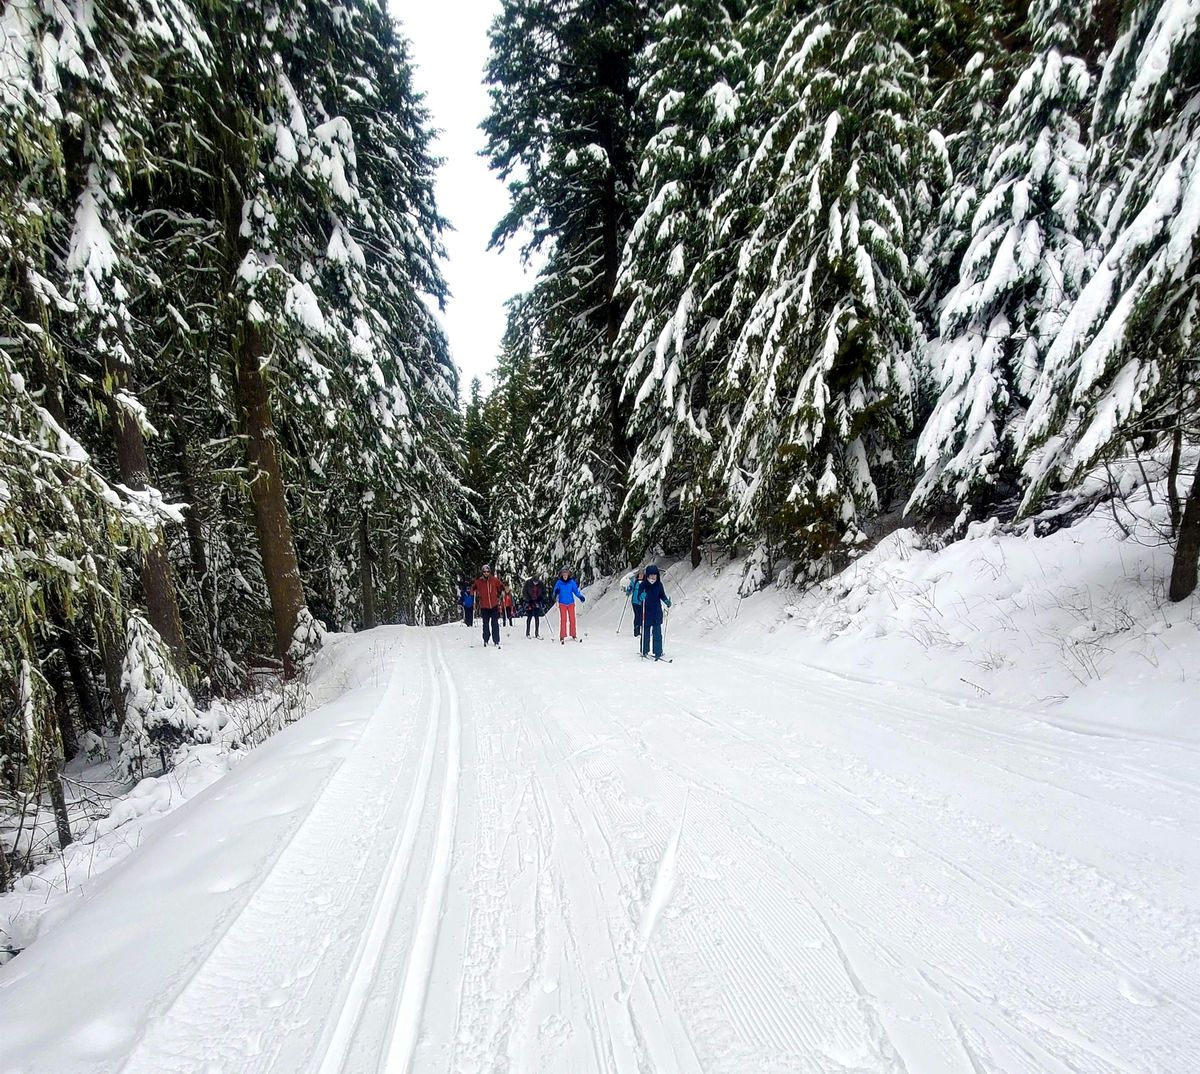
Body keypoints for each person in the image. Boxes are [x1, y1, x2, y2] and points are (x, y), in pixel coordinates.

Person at [638, 564, 671, 660]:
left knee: (657, 633)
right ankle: (644, 651)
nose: (653, 577)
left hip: (656, 611)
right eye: (651, 575)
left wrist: (666, 601)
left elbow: (662, 595)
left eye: (655, 575)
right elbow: (638, 598)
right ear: (647, 575)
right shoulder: (643, 585)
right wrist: (641, 597)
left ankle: (658, 651)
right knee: (646, 633)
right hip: (646, 612)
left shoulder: (659, 585)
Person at [471, 565, 508, 648]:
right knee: (485, 624)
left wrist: (502, 588)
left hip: (494, 605)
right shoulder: (479, 581)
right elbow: (473, 588)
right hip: (484, 606)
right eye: (484, 572)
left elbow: (501, 585)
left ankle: (496, 640)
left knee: (495, 623)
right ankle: (486, 639)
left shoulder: (494, 580)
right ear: (482, 572)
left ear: (489, 572)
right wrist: (473, 590)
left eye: (487, 572)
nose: (486, 573)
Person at [552, 567, 585, 643]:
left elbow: (576, 591)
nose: (565, 575)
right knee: (563, 620)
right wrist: (556, 592)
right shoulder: (559, 582)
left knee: (572, 619)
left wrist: (580, 597)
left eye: (566, 574)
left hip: (571, 603)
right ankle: (562, 636)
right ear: (561, 575)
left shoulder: (572, 582)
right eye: (563, 574)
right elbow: (554, 592)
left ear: (568, 574)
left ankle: (573, 634)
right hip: (562, 603)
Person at [623, 569, 645, 636]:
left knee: (642, 616)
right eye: (640, 574)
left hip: (642, 602)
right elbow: (630, 588)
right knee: (637, 615)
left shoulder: (645, 582)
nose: (641, 575)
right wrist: (628, 591)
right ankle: (636, 631)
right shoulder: (634, 581)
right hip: (635, 601)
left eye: (642, 574)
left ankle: (642, 629)